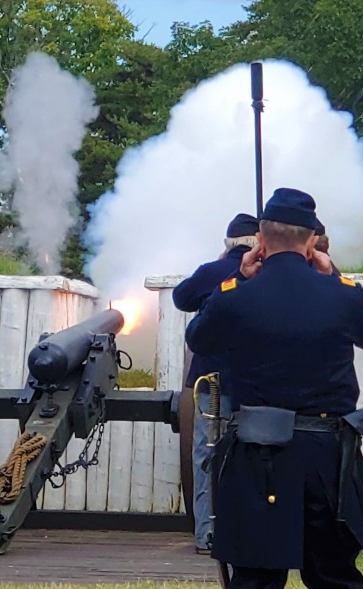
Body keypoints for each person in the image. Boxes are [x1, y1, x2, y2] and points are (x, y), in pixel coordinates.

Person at [186, 187, 363, 588]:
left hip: (257, 457)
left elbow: (199, 338)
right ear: (313, 241)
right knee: (335, 576)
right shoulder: (343, 296)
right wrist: (332, 277)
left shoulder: (236, 297)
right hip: (327, 459)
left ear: (261, 241)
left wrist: (236, 277)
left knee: (255, 579)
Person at [173, 213, 259, 555]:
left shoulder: (212, 272)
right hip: (252, 381)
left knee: (206, 455)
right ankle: (248, 531)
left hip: (209, 381)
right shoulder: (265, 273)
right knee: (253, 455)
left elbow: (182, 298)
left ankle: (207, 532)